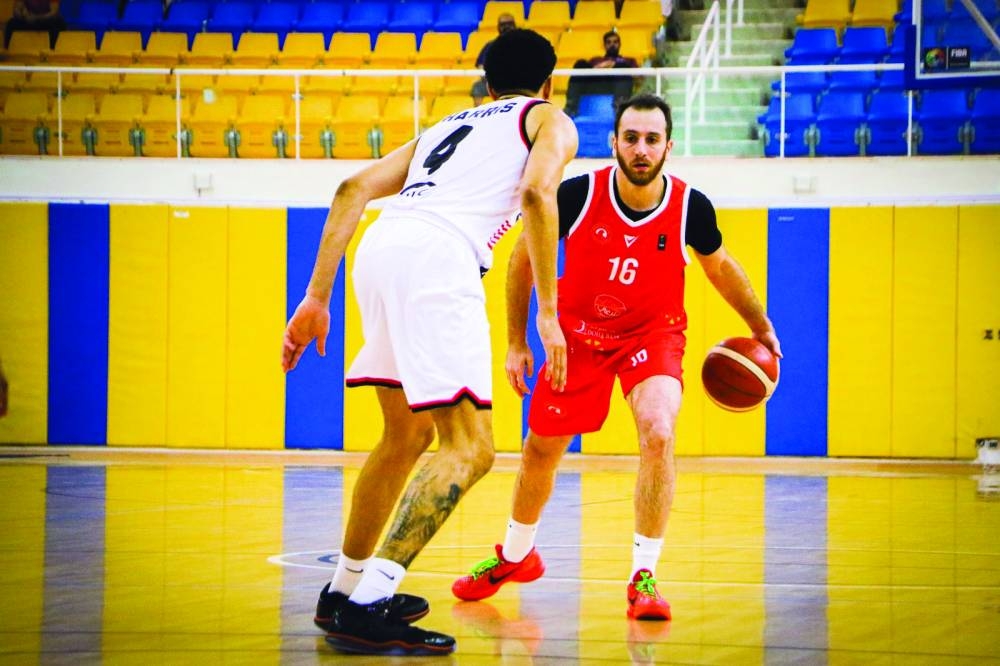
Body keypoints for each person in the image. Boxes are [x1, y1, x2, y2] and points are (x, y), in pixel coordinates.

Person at [282, 28, 578, 656]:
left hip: (380, 250)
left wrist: (315, 297)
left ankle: (344, 590)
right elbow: (535, 194)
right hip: (440, 258)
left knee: (405, 435)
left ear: (488, 85)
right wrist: (546, 315)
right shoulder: (549, 118)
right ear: (549, 83)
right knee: (471, 449)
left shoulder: (448, 125)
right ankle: (370, 602)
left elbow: (351, 190)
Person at [452, 93, 782, 621]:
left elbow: (720, 268)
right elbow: (519, 260)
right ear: (614, 143)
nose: (641, 149)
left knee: (658, 430)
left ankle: (643, 576)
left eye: (652, 139)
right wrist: (518, 340)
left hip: (652, 334)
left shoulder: (689, 206)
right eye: (631, 138)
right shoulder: (578, 194)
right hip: (578, 337)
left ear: (668, 147)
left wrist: (759, 325)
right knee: (541, 450)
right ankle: (515, 555)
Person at [565, 30, 640, 116]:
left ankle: (619, 110)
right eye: (609, 42)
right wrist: (601, 67)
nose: (612, 45)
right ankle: (571, 108)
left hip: (617, 86)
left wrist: (615, 65)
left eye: (615, 42)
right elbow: (586, 75)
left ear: (620, 44)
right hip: (596, 84)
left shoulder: (629, 60)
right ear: (604, 45)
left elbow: (638, 76)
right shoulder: (596, 60)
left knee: (622, 66)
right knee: (580, 63)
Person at [471, 12, 517, 106]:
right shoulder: (490, 46)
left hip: (518, 84)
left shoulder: (524, 45)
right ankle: (479, 118)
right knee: (477, 88)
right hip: (495, 84)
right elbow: (481, 66)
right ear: (498, 27)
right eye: (503, 25)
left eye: (510, 24)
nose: (507, 27)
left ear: (515, 25)